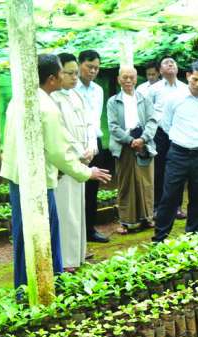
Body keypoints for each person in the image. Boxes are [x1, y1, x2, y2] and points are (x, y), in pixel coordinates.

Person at [1, 54, 110, 290]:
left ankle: (26, 288)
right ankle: (49, 287)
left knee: (25, 235)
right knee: (46, 236)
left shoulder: (20, 99)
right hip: (37, 181)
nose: (67, 76)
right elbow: (58, 152)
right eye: (63, 72)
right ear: (52, 78)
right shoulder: (47, 107)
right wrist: (86, 172)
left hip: (19, 177)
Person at [153, 61, 198, 242]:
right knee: (169, 196)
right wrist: (181, 138)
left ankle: (193, 236)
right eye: (195, 79)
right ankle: (160, 238)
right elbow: (166, 124)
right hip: (178, 153)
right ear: (188, 76)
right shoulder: (174, 98)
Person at [51, 53, 94, 272]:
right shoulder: (52, 98)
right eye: (69, 73)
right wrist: (79, 152)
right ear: (58, 74)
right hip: (66, 161)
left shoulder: (77, 95)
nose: (74, 77)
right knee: (66, 211)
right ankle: (66, 260)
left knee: (78, 209)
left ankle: (78, 254)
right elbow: (60, 132)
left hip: (82, 159)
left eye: (76, 73)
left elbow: (89, 123)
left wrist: (91, 147)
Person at [107, 66, 158, 234]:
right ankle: (125, 221)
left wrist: (143, 139)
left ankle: (147, 217)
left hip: (144, 144)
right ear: (119, 80)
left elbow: (152, 121)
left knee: (146, 182)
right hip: (124, 146)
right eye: (124, 77)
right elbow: (113, 127)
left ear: (136, 79)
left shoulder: (145, 99)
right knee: (126, 184)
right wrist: (130, 140)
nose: (128, 80)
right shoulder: (113, 101)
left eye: (131, 77)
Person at [75, 49, 111, 244]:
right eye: (89, 67)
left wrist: (93, 143)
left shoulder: (98, 90)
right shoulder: (70, 89)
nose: (93, 71)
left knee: (92, 188)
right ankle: (76, 232)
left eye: (96, 68)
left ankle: (89, 229)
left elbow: (95, 118)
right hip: (77, 142)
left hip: (94, 141)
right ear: (79, 64)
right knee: (75, 187)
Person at [149, 57, 187, 216]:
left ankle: (176, 206)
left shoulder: (185, 88)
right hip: (159, 134)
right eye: (166, 63)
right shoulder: (153, 89)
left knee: (179, 170)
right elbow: (148, 112)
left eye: (173, 62)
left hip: (179, 134)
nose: (170, 64)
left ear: (177, 68)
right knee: (158, 170)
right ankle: (158, 206)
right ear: (160, 70)